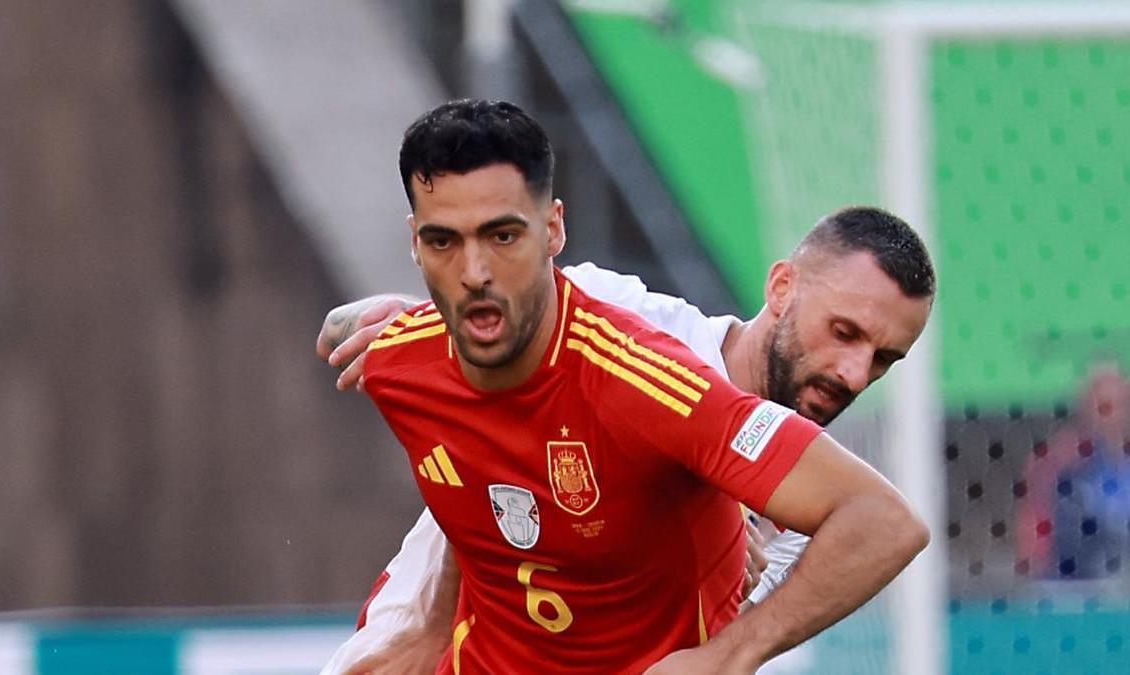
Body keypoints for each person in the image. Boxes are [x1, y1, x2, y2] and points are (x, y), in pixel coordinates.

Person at [330, 98, 931, 674]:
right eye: (843, 332)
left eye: (884, 360)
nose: (854, 373)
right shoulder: (637, 330)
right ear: (781, 289)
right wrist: (415, 317)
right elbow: (494, 317)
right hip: (436, 618)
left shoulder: (797, 512)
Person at [1017, 364, 1130, 580]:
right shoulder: (1057, 462)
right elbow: (1033, 538)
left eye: (1117, 404)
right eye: (1101, 406)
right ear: (1085, 407)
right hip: (1072, 587)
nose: (1109, 415)